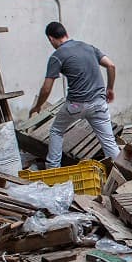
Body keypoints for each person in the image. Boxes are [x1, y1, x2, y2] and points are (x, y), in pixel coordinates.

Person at [29, 22, 119, 169]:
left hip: (76, 105)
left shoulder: (57, 56)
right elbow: (111, 65)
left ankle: (53, 169)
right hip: (99, 103)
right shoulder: (89, 48)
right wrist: (110, 89)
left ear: (51, 39)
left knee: (56, 131)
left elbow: (46, 89)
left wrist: (37, 106)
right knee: (109, 142)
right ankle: (123, 173)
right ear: (66, 34)